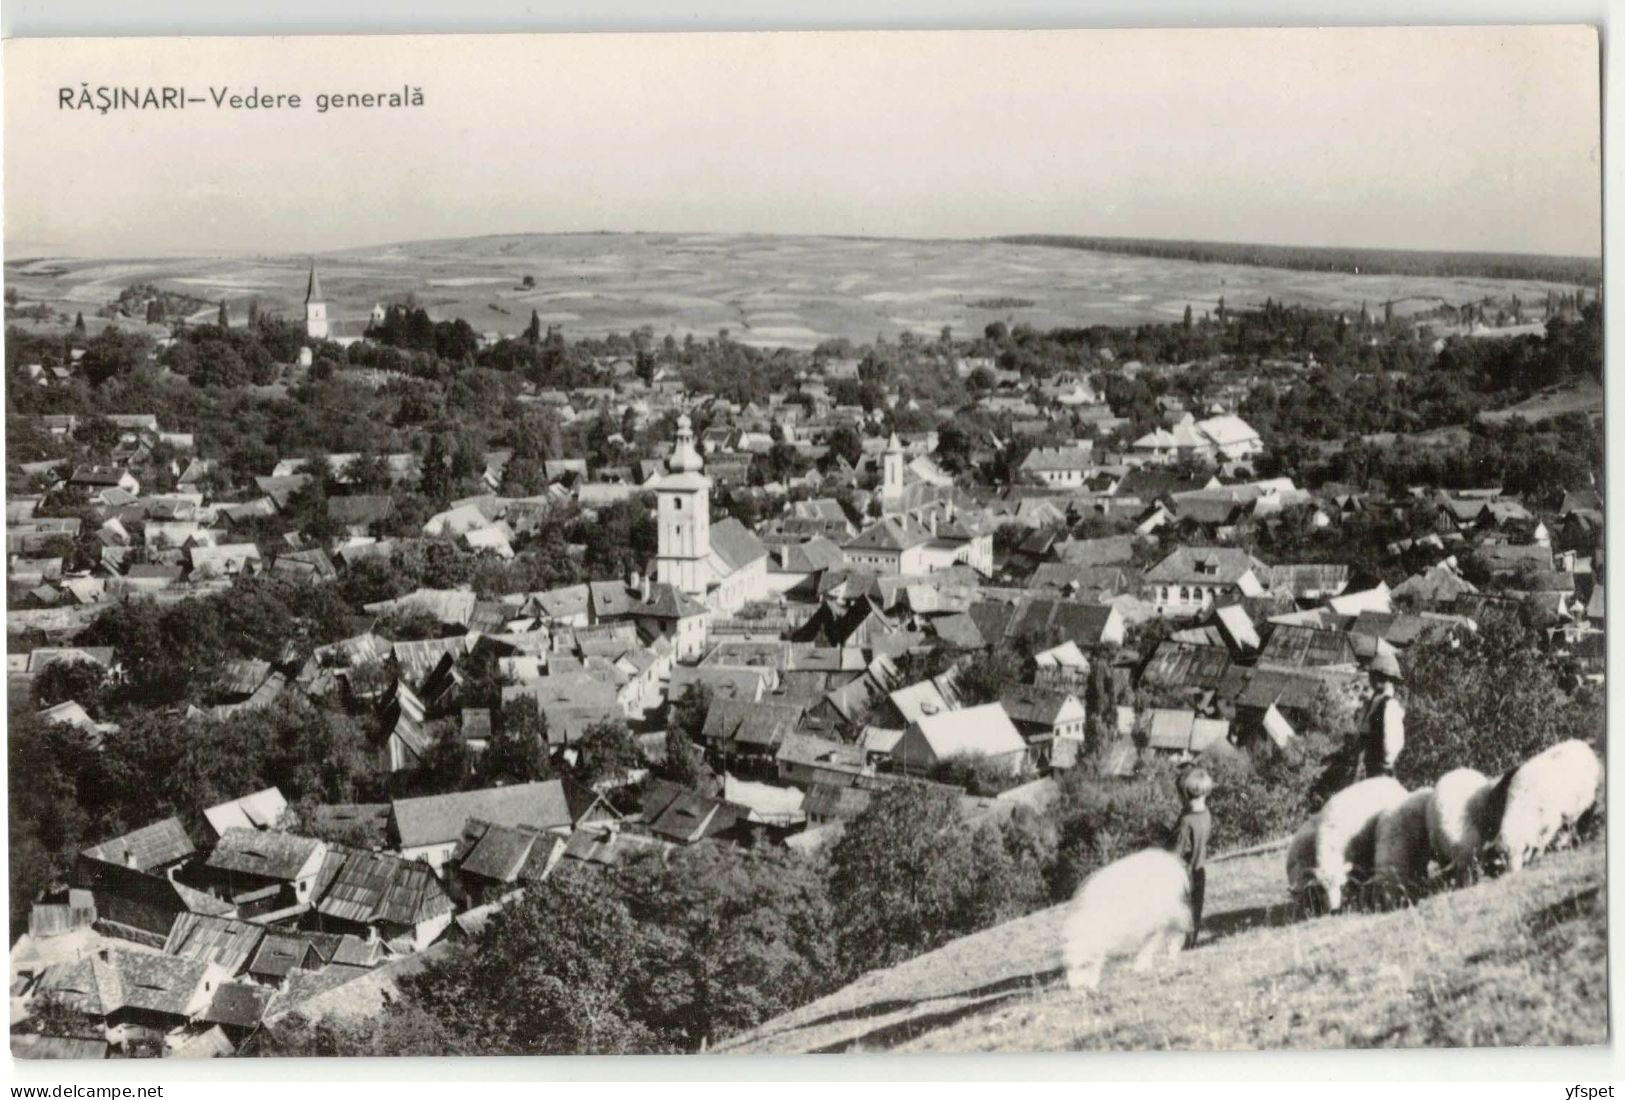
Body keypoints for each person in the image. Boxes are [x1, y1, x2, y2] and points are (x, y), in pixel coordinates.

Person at [1169, 766, 1214, 949]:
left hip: (1185, 873)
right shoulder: (1207, 814)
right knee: (1195, 911)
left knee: (1182, 910)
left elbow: (1177, 851)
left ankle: (1182, 946)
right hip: (1200, 870)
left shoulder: (1186, 820)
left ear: (1187, 794)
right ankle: (1191, 945)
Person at [1362, 648, 1406, 779]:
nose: (1371, 680)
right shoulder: (1375, 700)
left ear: (1383, 677)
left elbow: (1392, 743)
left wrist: (1386, 762)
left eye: (1373, 675)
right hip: (1368, 764)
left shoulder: (1390, 705)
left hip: (1380, 769)